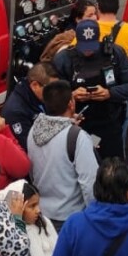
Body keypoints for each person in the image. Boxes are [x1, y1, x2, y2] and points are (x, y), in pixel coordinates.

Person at [52, 19, 128, 160]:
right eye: (84, 46)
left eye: (91, 46)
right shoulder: (64, 59)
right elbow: (51, 96)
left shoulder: (115, 53)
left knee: (112, 166)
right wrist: (71, 96)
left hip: (109, 124)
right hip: (77, 126)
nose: (88, 51)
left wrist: (109, 93)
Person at [28, 79, 99, 228]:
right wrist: (95, 218)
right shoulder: (77, 137)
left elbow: (32, 172)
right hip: (72, 219)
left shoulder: (33, 130)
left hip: (42, 215)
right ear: (71, 104)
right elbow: (90, 184)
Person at [2, 62, 56, 146]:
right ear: (35, 85)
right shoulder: (15, 113)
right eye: (51, 88)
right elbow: (29, 147)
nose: (55, 93)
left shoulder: (39, 96)